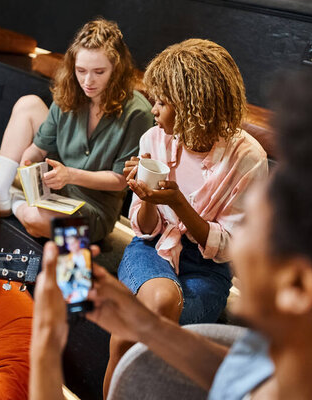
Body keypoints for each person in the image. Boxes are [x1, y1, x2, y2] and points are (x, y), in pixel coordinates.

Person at [29, 65, 312, 400]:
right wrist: (145, 325)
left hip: (200, 268)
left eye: (253, 228)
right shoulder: (282, 363)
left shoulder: (248, 157)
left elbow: (223, 249)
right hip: (153, 249)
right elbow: (236, 375)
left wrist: (45, 339)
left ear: (299, 285)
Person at [106, 39, 268, 394]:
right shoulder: (155, 140)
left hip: (208, 270)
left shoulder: (247, 158)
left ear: (194, 106)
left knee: (131, 325)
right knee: (160, 300)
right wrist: (145, 196)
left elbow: (230, 249)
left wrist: (179, 203)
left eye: (162, 102)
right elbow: (144, 230)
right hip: (149, 251)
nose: (154, 110)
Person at [0, 18, 154, 242]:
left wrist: (70, 175)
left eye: (99, 72)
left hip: (95, 209)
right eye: (81, 70)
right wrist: (29, 162)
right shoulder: (70, 90)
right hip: (55, 189)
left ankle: (11, 200)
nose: (88, 81)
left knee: (37, 221)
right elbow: (38, 148)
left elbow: (120, 180)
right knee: (28, 104)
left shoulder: (138, 112)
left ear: (116, 70)